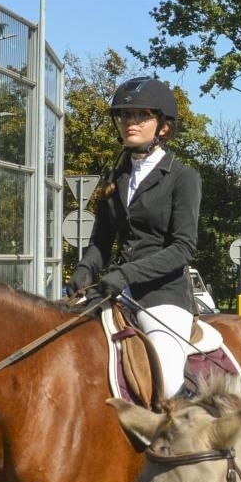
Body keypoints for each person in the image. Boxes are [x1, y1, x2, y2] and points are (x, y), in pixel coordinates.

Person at [71, 77, 200, 400]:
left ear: (163, 127)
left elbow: (183, 247)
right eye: (124, 116)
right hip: (113, 290)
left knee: (167, 381)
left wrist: (126, 274)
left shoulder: (182, 178)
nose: (130, 122)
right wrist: (86, 267)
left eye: (141, 115)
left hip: (163, 296)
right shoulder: (116, 177)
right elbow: (101, 241)